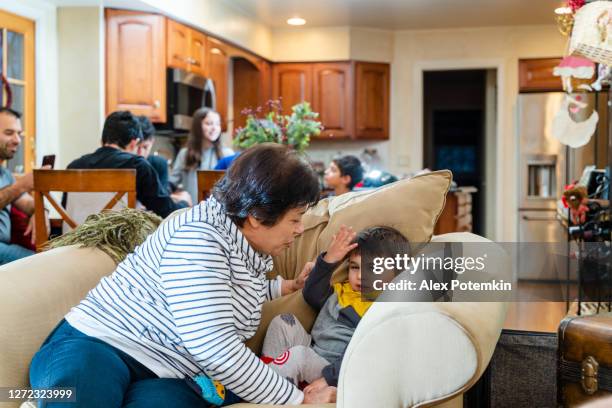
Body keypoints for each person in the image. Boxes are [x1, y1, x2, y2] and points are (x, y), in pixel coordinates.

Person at [30, 143, 337, 406]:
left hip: (170, 369)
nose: (299, 230)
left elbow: (223, 290)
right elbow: (215, 347)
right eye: (295, 220)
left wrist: (283, 287)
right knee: (82, 388)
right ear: (256, 216)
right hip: (103, 342)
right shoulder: (198, 239)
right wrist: (296, 399)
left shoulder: (241, 241)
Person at [194, 225, 410, 405]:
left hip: (337, 369)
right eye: (354, 267)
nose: (361, 275)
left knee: (298, 356)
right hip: (315, 352)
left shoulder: (385, 308)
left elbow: (366, 352)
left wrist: (328, 378)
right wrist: (329, 260)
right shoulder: (344, 291)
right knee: (283, 322)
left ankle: (236, 391)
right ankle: (273, 374)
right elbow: (312, 294)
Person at [67, 111, 191, 218]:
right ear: (133, 143)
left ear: (103, 139)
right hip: (119, 243)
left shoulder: (73, 167)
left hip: (73, 242)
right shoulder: (137, 165)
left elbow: (66, 209)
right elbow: (166, 211)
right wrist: (184, 202)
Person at [0, 107, 44, 263]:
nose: (18, 140)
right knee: (45, 264)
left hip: (4, 248)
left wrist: (39, 210)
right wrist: (22, 185)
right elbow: (18, 190)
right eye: (9, 133)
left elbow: (26, 202)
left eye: (19, 133)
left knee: (50, 259)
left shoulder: (5, 174)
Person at [170, 108, 234, 203]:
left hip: (217, 214)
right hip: (191, 211)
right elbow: (172, 183)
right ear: (197, 127)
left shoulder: (227, 154)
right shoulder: (185, 154)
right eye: (209, 124)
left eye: (217, 124)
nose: (214, 128)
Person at [136, 115, 171, 194]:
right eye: (137, 147)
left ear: (152, 142)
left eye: (145, 147)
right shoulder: (126, 164)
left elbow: (163, 197)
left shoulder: (160, 164)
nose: (140, 153)